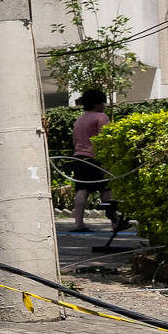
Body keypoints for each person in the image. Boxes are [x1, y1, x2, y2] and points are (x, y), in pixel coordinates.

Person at [69, 88, 120, 232]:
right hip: (96, 159)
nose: (104, 105)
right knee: (106, 190)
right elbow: (104, 140)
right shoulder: (101, 117)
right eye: (102, 103)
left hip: (79, 158)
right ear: (97, 103)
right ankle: (114, 223)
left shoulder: (79, 120)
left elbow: (74, 140)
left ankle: (78, 223)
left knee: (81, 190)